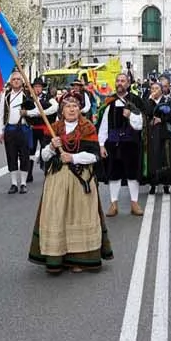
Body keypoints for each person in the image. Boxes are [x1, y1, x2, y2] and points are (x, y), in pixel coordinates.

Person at [27, 96, 113, 275]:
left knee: (78, 217)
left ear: (80, 109)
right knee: (57, 217)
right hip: (57, 181)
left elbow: (95, 156)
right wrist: (51, 147)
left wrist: (73, 157)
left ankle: (79, 259)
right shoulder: (54, 129)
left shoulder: (88, 128)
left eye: (75, 106)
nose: (72, 109)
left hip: (80, 180)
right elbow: (42, 157)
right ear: (61, 110)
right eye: (68, 107)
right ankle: (56, 257)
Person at [97, 82, 146, 218]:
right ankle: (113, 204)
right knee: (114, 175)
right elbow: (104, 126)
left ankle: (134, 203)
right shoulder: (109, 103)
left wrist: (130, 115)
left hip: (131, 144)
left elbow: (140, 125)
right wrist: (101, 145)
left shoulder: (135, 101)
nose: (120, 83)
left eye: (123, 80)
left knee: (132, 174)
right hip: (113, 144)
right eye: (118, 80)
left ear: (128, 84)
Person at [0, 72, 42, 196]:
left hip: (24, 129)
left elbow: (38, 111)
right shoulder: (5, 96)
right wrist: (0, 131)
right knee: (11, 156)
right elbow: (1, 114)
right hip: (10, 130)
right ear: (10, 82)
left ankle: (23, 183)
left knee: (24, 156)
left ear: (22, 81)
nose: (16, 81)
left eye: (18, 79)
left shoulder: (28, 94)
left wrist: (27, 113)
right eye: (14, 79)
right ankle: (13, 184)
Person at [141, 80, 171, 198]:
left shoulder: (167, 100)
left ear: (161, 90)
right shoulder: (149, 101)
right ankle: (152, 184)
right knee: (153, 157)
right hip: (152, 133)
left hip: (165, 133)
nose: (154, 90)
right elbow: (146, 111)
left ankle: (166, 183)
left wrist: (162, 119)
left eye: (156, 88)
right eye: (152, 88)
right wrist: (150, 99)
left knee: (166, 158)